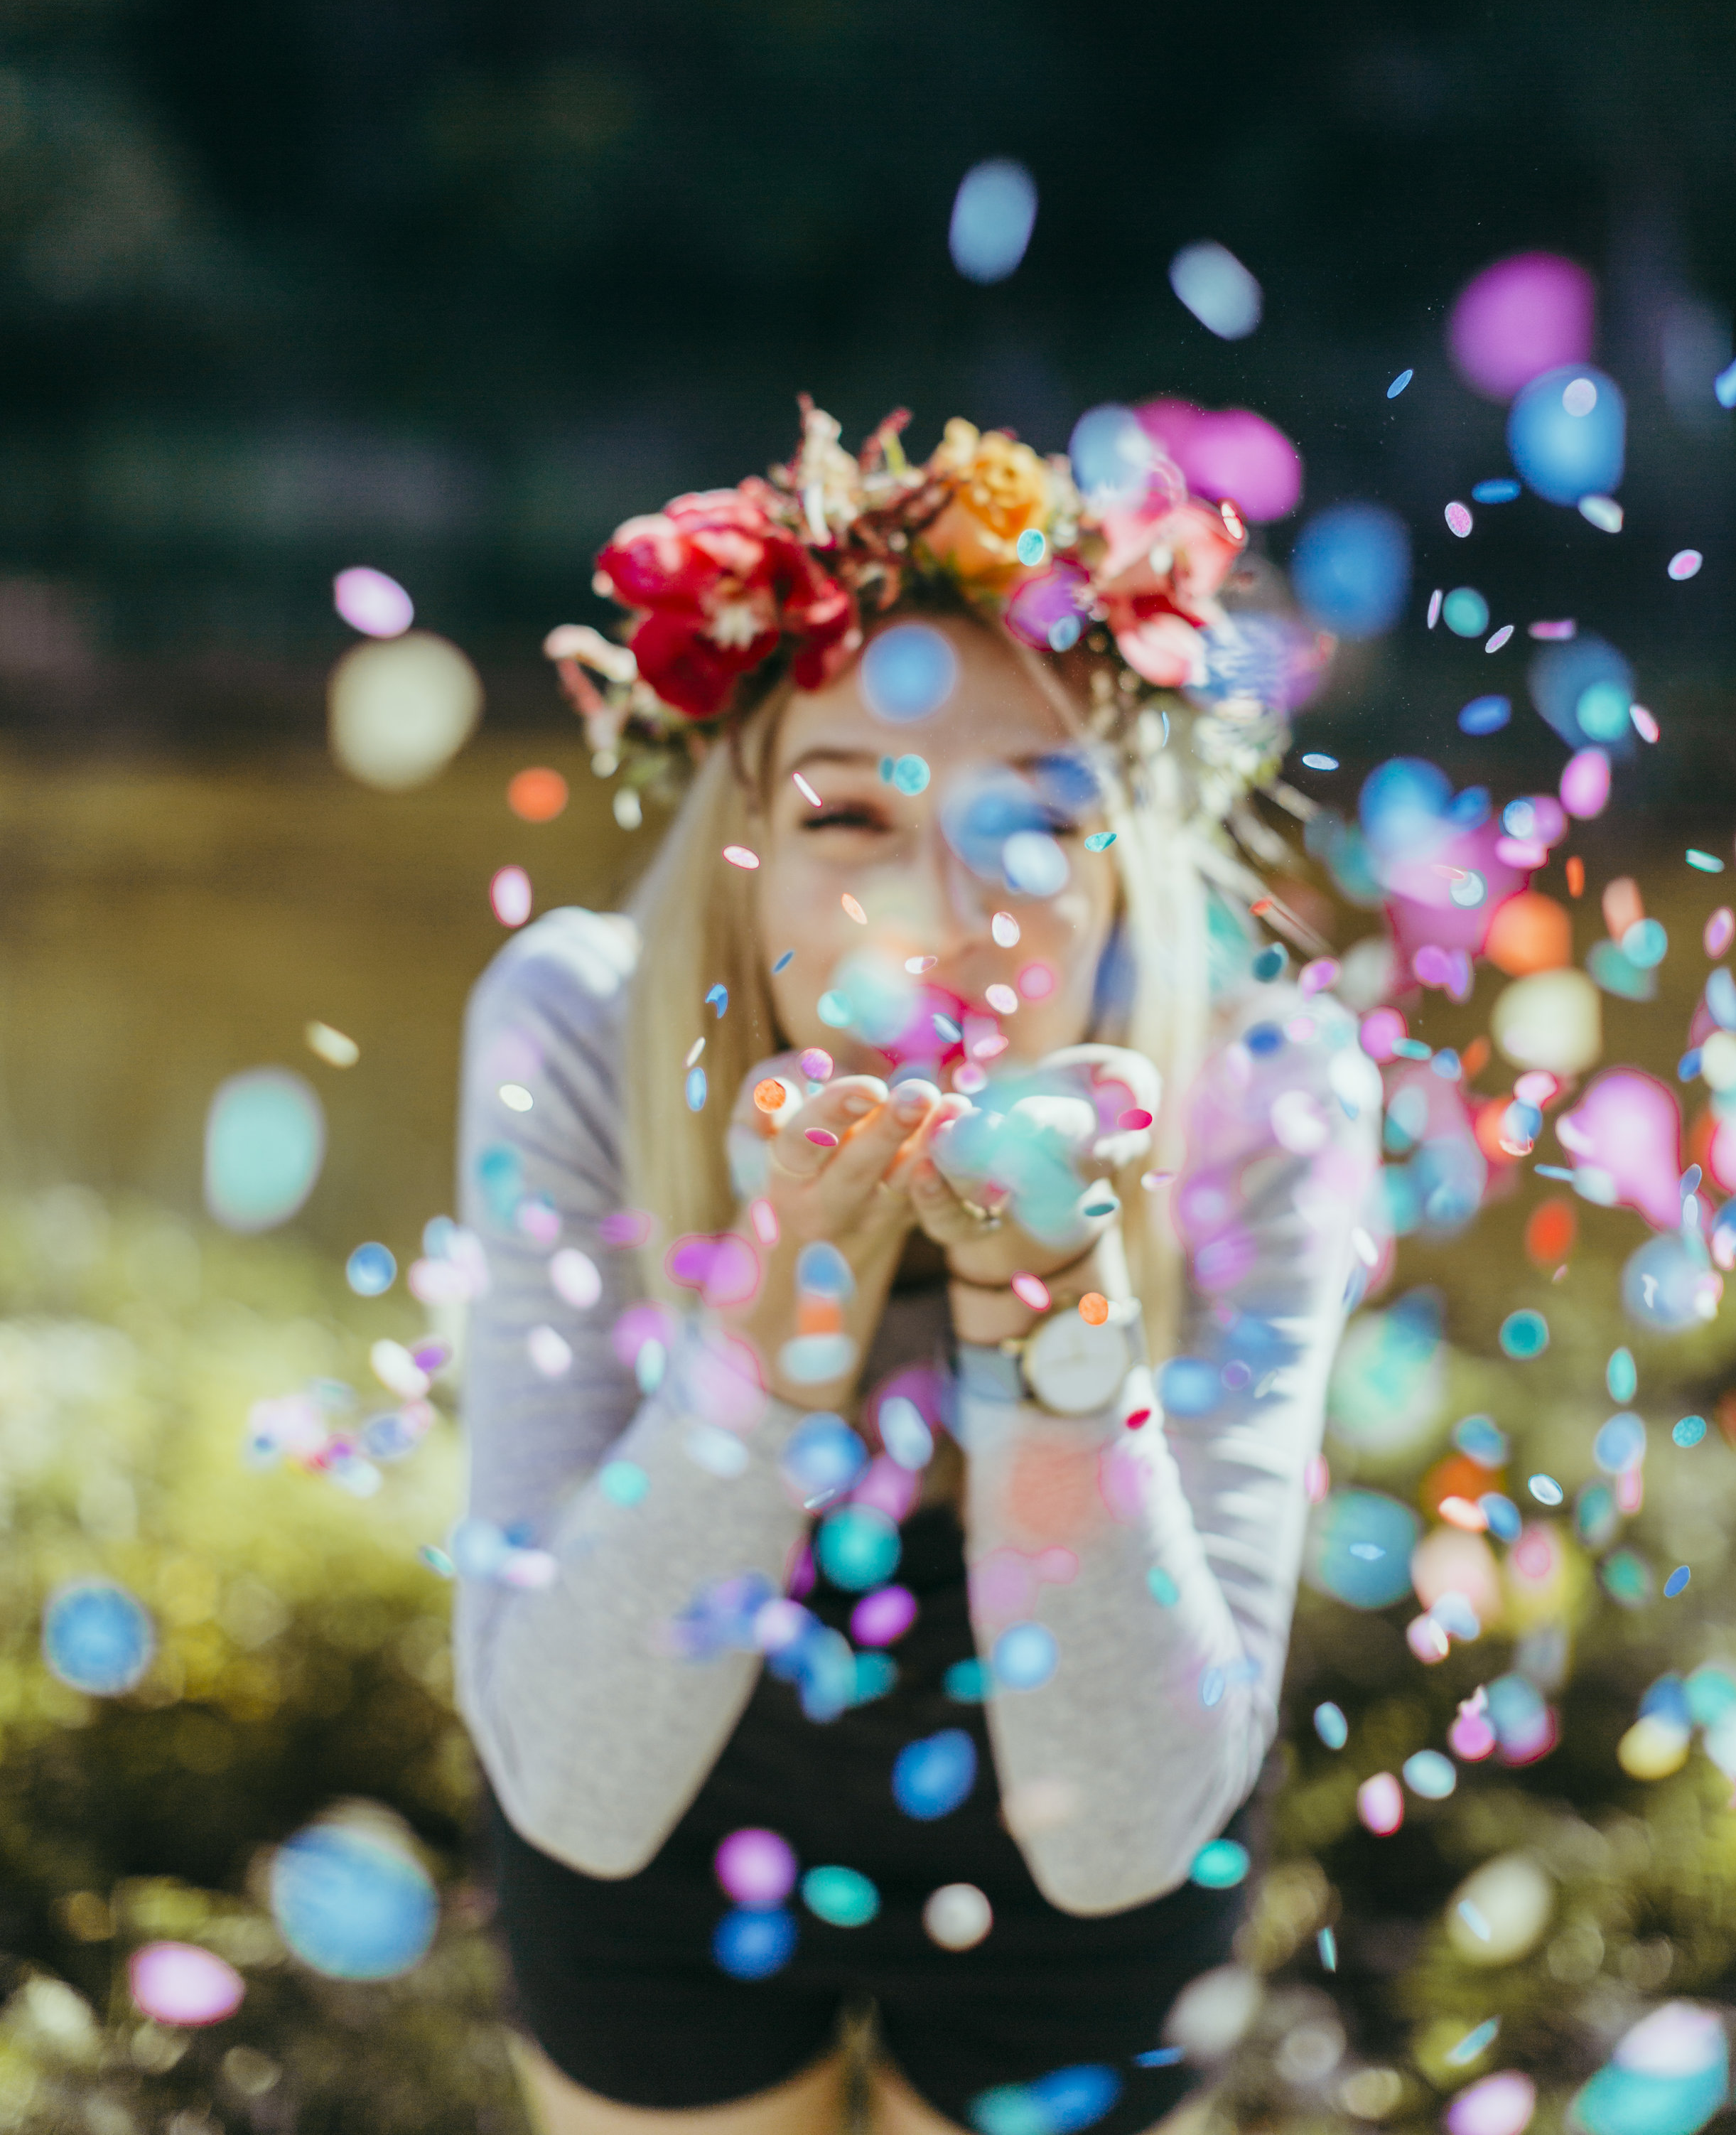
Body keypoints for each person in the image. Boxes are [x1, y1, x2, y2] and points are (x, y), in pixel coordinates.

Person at [453, 403, 1381, 2135]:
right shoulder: (576, 1026)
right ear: (741, 859)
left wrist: (1047, 1299)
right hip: (658, 1764)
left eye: (1035, 822)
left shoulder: (1265, 1098)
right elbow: (572, 1783)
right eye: (850, 820)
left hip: (1084, 1841)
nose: (950, 911)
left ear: (1126, 875)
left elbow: (1124, 1830)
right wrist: (785, 1294)